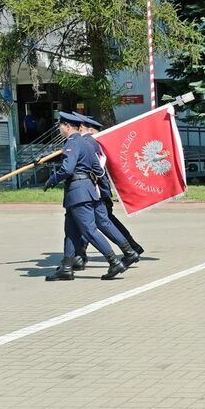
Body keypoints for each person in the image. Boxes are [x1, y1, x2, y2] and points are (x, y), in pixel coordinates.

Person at [43, 112, 128, 282]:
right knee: (71, 232)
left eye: (60, 126)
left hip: (77, 192)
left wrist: (52, 179)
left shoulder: (72, 143)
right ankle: (66, 268)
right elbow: (99, 170)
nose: (59, 129)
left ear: (67, 126)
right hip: (87, 190)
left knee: (89, 230)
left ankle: (113, 261)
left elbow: (67, 169)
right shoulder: (87, 143)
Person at [74, 114, 143, 269]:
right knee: (98, 221)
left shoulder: (89, 143)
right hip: (97, 189)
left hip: (96, 190)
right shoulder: (92, 142)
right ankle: (80, 255)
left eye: (79, 127)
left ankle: (130, 249)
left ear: (89, 129)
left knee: (99, 222)